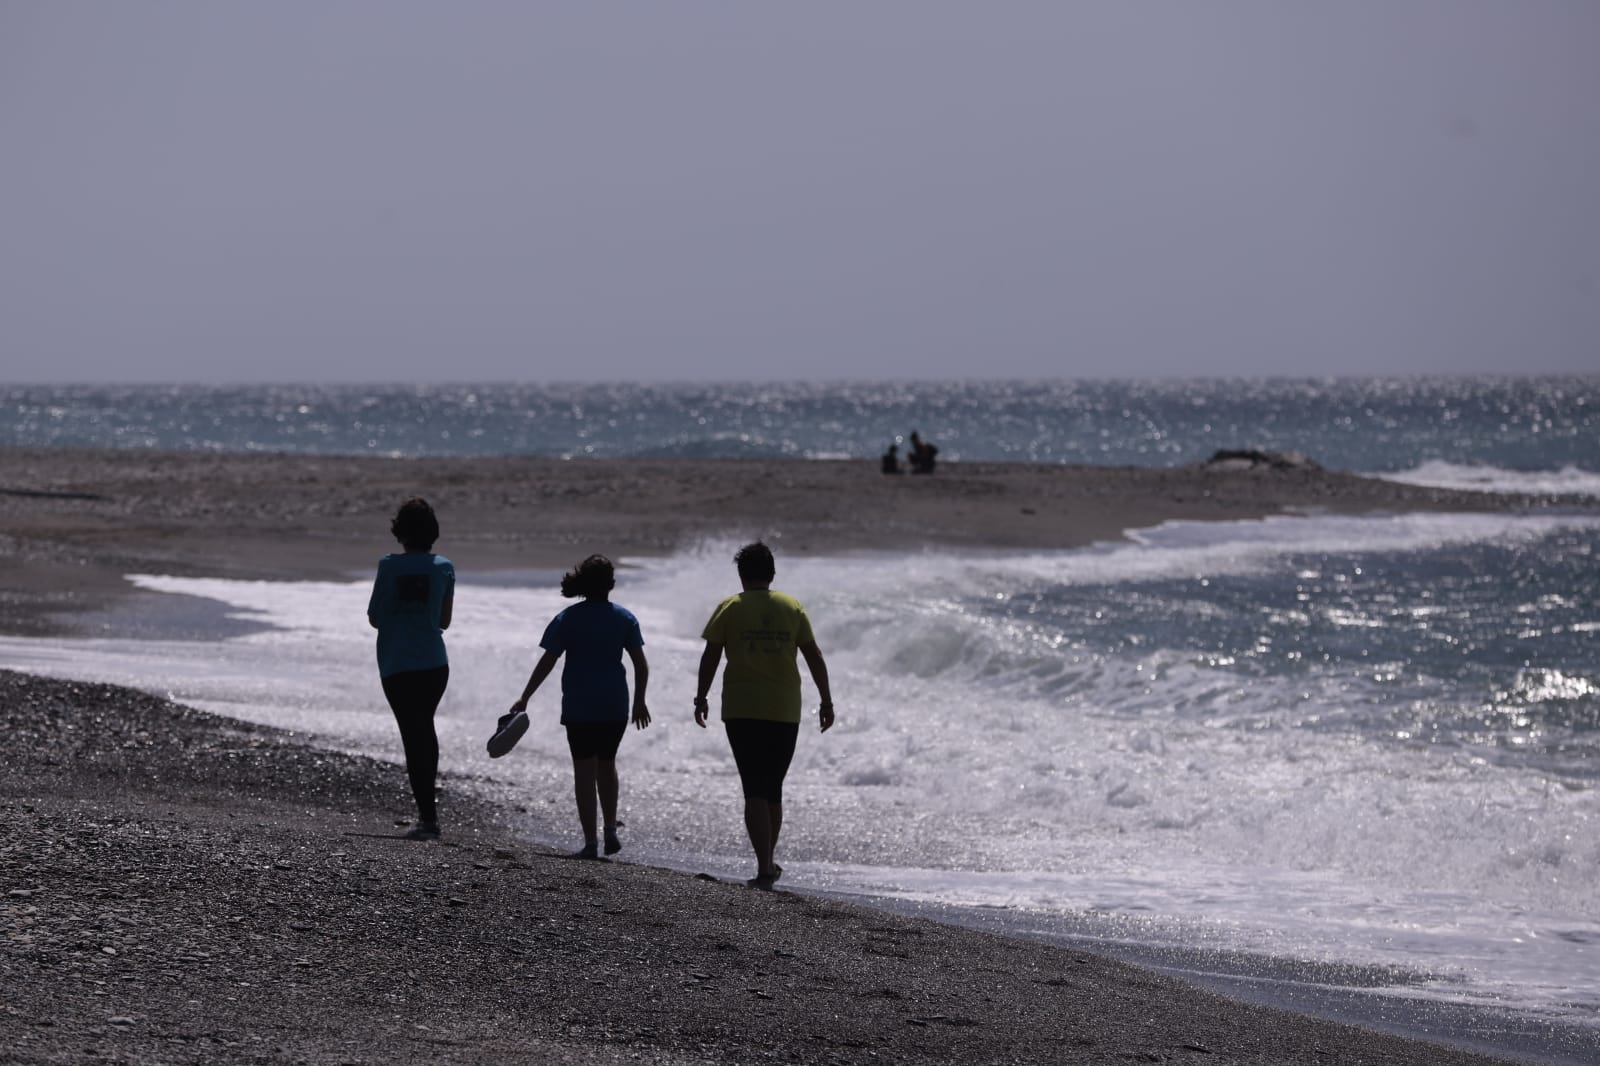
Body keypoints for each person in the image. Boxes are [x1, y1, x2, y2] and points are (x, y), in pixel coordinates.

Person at [694, 542, 834, 889]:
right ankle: (767, 864)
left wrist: (701, 696)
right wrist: (827, 699)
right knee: (772, 788)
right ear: (772, 574)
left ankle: (765, 868)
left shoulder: (730, 607)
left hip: (742, 707)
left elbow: (711, 655)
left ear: (742, 575)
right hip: (785, 709)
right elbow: (814, 655)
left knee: (754, 787)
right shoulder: (791, 606)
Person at [508, 555, 650, 859]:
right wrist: (640, 701)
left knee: (584, 770)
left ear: (583, 584)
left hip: (580, 705)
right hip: (615, 705)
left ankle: (590, 843)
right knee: (607, 764)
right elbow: (641, 664)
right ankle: (610, 828)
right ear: (611, 584)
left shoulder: (568, 619)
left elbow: (548, 661)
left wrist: (525, 696)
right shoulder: (625, 618)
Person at [367, 497, 455, 841]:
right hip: (434, 662)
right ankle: (428, 816)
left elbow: (375, 617)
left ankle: (428, 819)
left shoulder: (388, 566)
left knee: (412, 735)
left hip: (397, 663)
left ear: (399, 532)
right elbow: (445, 620)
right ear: (432, 532)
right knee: (425, 731)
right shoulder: (445, 566)